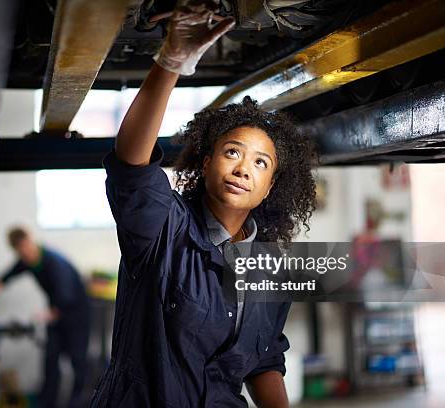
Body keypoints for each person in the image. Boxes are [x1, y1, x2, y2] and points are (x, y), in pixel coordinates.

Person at [91, 3, 317, 408]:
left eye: (260, 163)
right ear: (207, 162)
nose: (244, 168)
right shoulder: (164, 229)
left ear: (269, 187)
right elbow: (131, 163)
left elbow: (263, 361)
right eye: (233, 153)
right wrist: (172, 60)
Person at [0, 226, 91, 408]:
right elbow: (3, 279)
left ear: (31, 241)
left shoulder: (54, 262)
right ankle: (47, 402)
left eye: (26, 246)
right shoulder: (26, 261)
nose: (25, 252)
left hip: (76, 314)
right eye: (20, 250)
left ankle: (79, 402)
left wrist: (46, 315)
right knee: (50, 359)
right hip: (55, 314)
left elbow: (66, 296)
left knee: (77, 360)